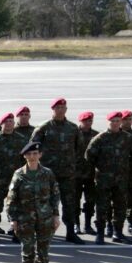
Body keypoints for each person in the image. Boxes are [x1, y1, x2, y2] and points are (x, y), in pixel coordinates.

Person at [6, 142, 60, 263]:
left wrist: (56, 215)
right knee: (27, 250)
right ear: (24, 156)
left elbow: (55, 195)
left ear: (40, 155)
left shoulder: (48, 173)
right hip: (25, 218)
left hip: (45, 217)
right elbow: (11, 198)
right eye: (29, 154)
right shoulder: (19, 174)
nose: (32, 156)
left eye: (35, 154)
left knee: (43, 251)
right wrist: (13, 218)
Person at [30, 98, 86, 244]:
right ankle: (45, 232)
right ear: (53, 109)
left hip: (67, 173)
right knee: (45, 203)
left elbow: (79, 149)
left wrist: (73, 165)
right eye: (57, 107)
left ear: (66, 109)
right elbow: (32, 149)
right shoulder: (43, 127)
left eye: (63, 107)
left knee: (70, 203)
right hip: (48, 174)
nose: (60, 109)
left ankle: (70, 232)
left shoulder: (73, 128)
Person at [85, 111, 132, 244]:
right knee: (102, 206)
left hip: (121, 179)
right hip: (104, 180)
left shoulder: (127, 138)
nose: (115, 123)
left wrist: (130, 174)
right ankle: (100, 234)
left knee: (120, 207)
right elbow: (89, 157)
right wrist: (96, 173)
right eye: (112, 121)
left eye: (117, 121)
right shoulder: (100, 138)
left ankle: (118, 233)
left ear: (120, 122)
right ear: (108, 122)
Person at [0, 112, 28, 244]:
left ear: (14, 124)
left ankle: (16, 233)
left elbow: (26, 159)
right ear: (1, 124)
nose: (8, 124)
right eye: (6, 122)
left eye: (11, 122)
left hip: (16, 179)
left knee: (17, 206)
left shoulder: (21, 139)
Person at [75, 111, 99, 236]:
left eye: (90, 121)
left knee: (90, 201)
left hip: (90, 174)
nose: (88, 123)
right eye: (85, 121)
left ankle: (88, 225)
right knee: (74, 200)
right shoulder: (73, 134)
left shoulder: (96, 135)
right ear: (80, 121)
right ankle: (76, 224)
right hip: (75, 174)